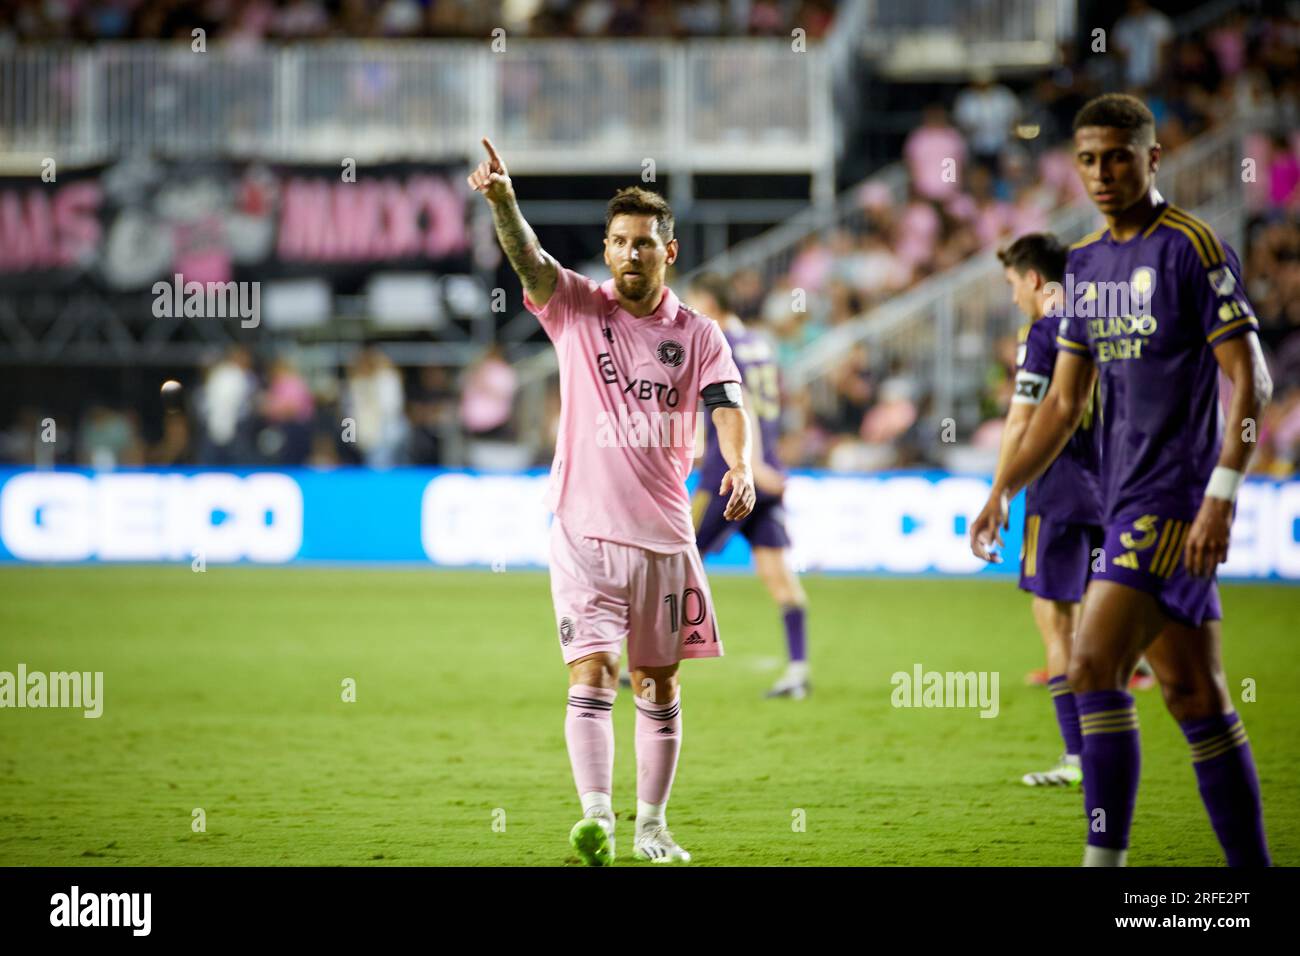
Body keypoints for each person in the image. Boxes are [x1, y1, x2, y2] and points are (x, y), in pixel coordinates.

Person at [971, 94, 1272, 866]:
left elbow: (1253, 383)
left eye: (1118, 156)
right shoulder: (1084, 264)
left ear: (1152, 158)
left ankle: (1104, 865)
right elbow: (1066, 403)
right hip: (1118, 501)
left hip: (1170, 501)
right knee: (1194, 697)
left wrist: (1221, 496)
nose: (1103, 173)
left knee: (1093, 667)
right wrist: (1003, 487)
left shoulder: (1192, 248)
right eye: (1089, 159)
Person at [468, 138, 755, 866]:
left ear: (670, 250)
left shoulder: (697, 335)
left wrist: (741, 465)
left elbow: (728, 405)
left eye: (645, 243)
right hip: (582, 533)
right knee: (592, 672)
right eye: (620, 242)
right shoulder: (572, 307)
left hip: (663, 537)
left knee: (657, 683)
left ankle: (652, 827)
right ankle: (595, 819)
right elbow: (529, 259)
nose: (631, 254)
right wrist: (505, 201)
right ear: (606, 247)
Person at [992, 234, 1102, 787]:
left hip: (1056, 493)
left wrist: (999, 493)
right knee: (1098, 629)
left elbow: (1023, 419)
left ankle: (1078, 757)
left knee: (1055, 626)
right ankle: (1103, 752)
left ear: (1035, 279)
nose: (1014, 298)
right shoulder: (1103, 326)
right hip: (1114, 493)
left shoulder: (1043, 332)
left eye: (1014, 285)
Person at [686, 272, 810, 699]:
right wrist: (771, 461)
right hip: (767, 475)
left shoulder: (719, 344)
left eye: (694, 302)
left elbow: (741, 407)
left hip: (730, 474)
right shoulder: (761, 344)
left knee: (675, 559)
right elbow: (774, 404)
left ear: (710, 301)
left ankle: (646, 662)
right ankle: (797, 670)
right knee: (778, 573)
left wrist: (750, 464)